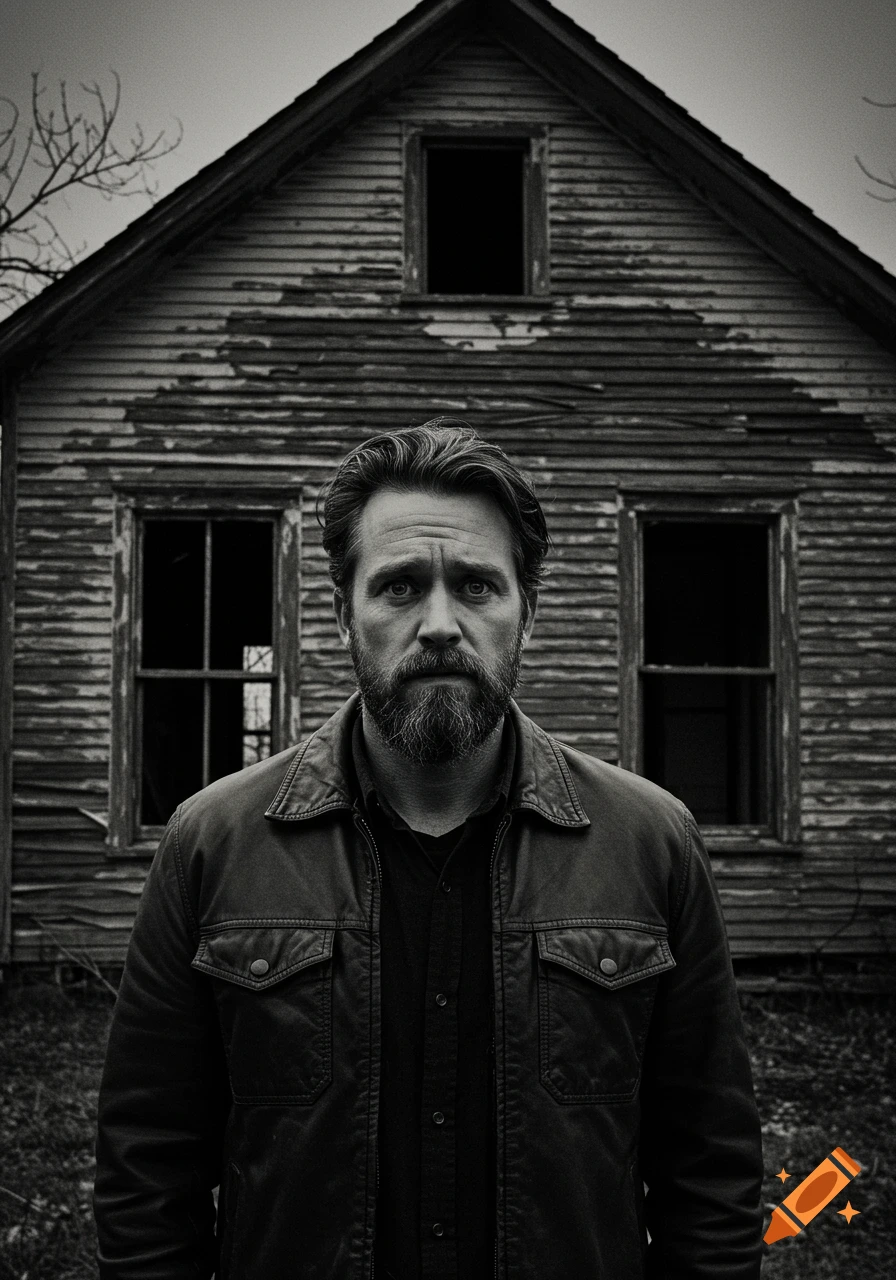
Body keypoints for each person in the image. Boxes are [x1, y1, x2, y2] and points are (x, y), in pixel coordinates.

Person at [94, 420, 764, 1280]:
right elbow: (148, 1175)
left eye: (477, 585)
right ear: (343, 614)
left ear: (527, 614)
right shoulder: (211, 844)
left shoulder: (652, 843)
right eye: (401, 586)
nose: (440, 625)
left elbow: (710, 1174)